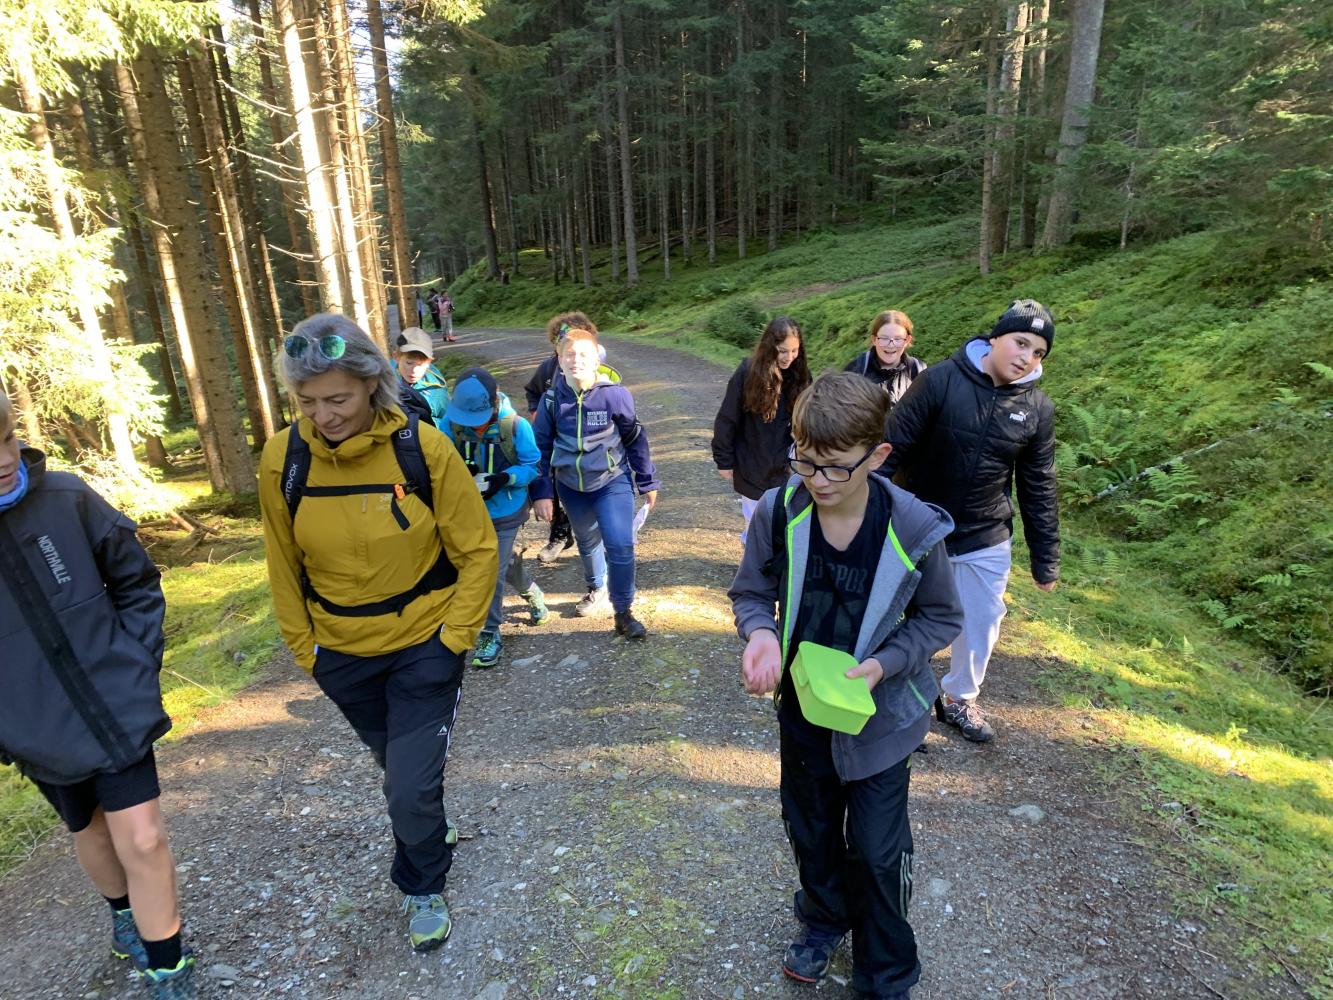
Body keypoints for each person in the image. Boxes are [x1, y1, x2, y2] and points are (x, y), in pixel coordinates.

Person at [258, 314, 498, 952]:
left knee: (407, 785)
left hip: (425, 644)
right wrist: (305, 649)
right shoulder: (284, 458)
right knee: (400, 769)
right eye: (307, 401)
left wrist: (455, 638)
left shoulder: (424, 450)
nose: (324, 415)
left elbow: (477, 551)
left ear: (372, 382)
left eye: (337, 398)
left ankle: (422, 884)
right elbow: (282, 559)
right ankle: (428, 824)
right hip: (340, 654)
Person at [728, 372, 963, 1000]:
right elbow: (751, 591)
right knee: (809, 827)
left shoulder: (912, 527)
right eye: (805, 461)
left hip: (883, 721)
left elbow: (942, 618)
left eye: (836, 467)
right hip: (805, 711)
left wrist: (885, 664)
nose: (819, 480)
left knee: (879, 853)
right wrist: (760, 634)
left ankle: (887, 973)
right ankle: (823, 919)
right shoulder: (780, 509)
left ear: (878, 455)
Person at [0, 393, 197, 998]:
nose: (4, 459)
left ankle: (169, 969)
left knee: (143, 836)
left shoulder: (66, 497)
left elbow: (136, 581)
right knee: (90, 829)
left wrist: (134, 664)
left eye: (6, 439)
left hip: (116, 704)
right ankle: (122, 914)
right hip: (34, 725)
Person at [884, 299, 1060, 743]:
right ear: (996, 337)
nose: (1026, 357)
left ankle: (960, 697)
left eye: (1038, 352)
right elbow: (892, 446)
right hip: (921, 522)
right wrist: (864, 510)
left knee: (981, 619)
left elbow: (1038, 484)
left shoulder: (1037, 409)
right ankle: (894, 689)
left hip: (985, 533)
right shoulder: (940, 380)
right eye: (1021, 343)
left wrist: (1046, 559)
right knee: (900, 613)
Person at [532, 323, 659, 639]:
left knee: (620, 544)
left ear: (596, 359)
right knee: (588, 542)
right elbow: (540, 449)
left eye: (583, 355)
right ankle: (596, 586)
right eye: (569, 355)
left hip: (611, 481)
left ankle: (623, 612)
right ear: (559, 359)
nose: (576, 360)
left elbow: (634, 438)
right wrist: (542, 493)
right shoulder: (551, 401)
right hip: (570, 486)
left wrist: (647, 481)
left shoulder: (614, 396)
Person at [441, 367, 549, 668]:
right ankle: (531, 590)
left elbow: (532, 466)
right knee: (504, 564)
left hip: (506, 510)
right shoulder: (449, 423)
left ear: (493, 403)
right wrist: (460, 471)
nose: (471, 424)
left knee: (489, 570)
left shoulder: (515, 426)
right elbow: (437, 457)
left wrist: (504, 478)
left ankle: (490, 633)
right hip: (467, 511)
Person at [712, 316, 811, 542]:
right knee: (756, 525)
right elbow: (727, 418)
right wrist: (723, 460)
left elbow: (811, 417)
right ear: (770, 347)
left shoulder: (802, 374)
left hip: (789, 466)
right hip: (753, 464)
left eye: (794, 351)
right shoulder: (747, 372)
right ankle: (752, 558)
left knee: (785, 524)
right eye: (782, 351)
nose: (789, 357)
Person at [522, 313, 589, 565]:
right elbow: (532, 391)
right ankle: (560, 535)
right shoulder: (548, 367)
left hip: (587, 441)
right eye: (561, 338)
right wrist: (536, 412)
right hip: (555, 439)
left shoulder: (592, 365)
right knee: (554, 482)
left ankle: (593, 537)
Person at [844, 309, 926, 409]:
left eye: (898, 339)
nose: (891, 345)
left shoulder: (918, 370)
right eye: (884, 338)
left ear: (907, 340)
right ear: (874, 340)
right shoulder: (856, 370)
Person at [393, 326, 451, 426]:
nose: (414, 370)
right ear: (396, 358)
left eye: (420, 364)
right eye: (409, 363)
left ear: (429, 362)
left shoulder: (436, 388)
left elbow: (446, 421)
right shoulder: (383, 381)